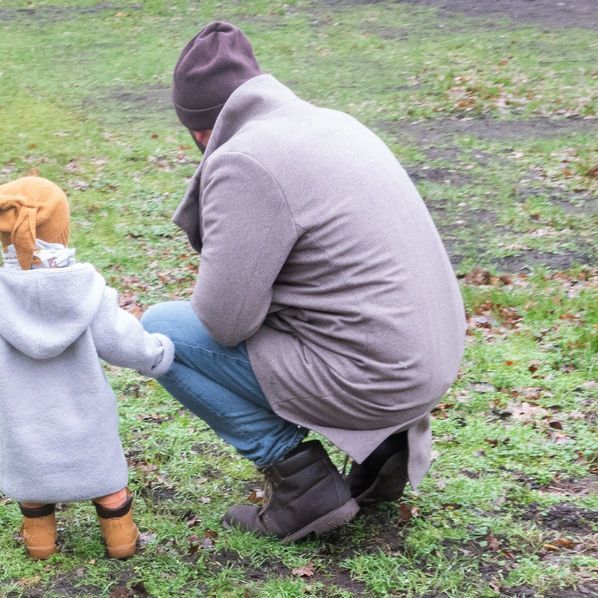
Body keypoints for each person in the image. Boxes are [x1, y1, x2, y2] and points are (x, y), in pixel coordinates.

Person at [141, 22, 466, 542]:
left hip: (378, 377)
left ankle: (302, 484)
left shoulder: (245, 159)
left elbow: (224, 322)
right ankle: (386, 447)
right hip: (428, 362)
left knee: (162, 333)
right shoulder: (333, 122)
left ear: (201, 129)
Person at [0, 176, 175, 559]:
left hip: (25, 424)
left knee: (33, 488)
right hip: (86, 421)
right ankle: (120, 539)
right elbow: (122, 341)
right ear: (61, 227)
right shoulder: (86, 290)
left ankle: (40, 542)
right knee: (108, 485)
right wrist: (157, 353)